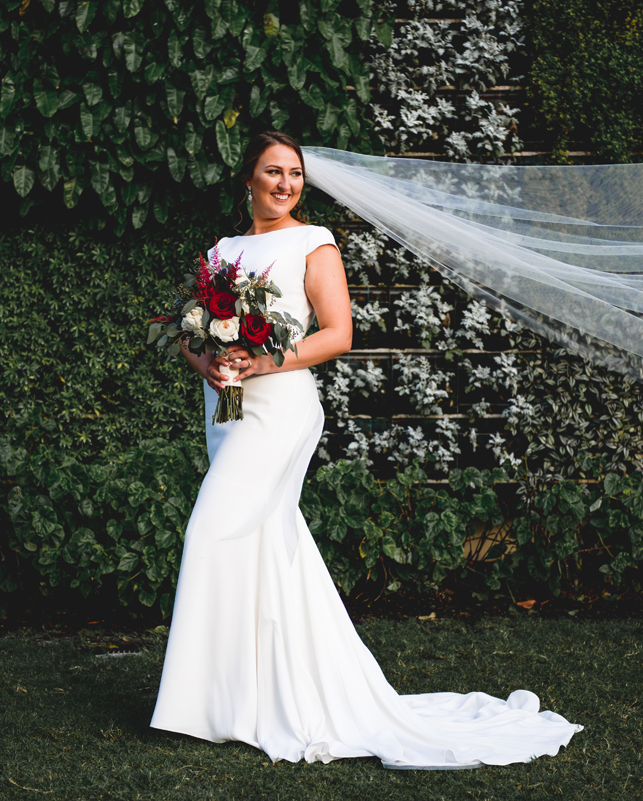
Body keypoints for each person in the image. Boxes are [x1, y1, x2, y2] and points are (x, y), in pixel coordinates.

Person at [149, 131, 582, 769]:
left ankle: (194, 705)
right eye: (273, 172)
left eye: (294, 174)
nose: (285, 184)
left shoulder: (313, 242)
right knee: (267, 545)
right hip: (228, 409)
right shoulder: (223, 250)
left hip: (280, 408)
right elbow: (190, 328)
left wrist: (260, 360)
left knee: (211, 531)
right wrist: (207, 365)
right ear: (247, 179)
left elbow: (340, 334)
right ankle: (250, 699)